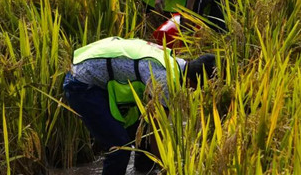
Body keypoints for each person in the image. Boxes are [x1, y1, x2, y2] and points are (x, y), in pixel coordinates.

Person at [63, 36, 217, 175]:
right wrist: (167, 167)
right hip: (81, 82)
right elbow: (156, 133)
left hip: (94, 69)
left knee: (139, 135)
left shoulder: (177, 63)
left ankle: (143, 170)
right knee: (120, 147)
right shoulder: (165, 81)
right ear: (196, 83)